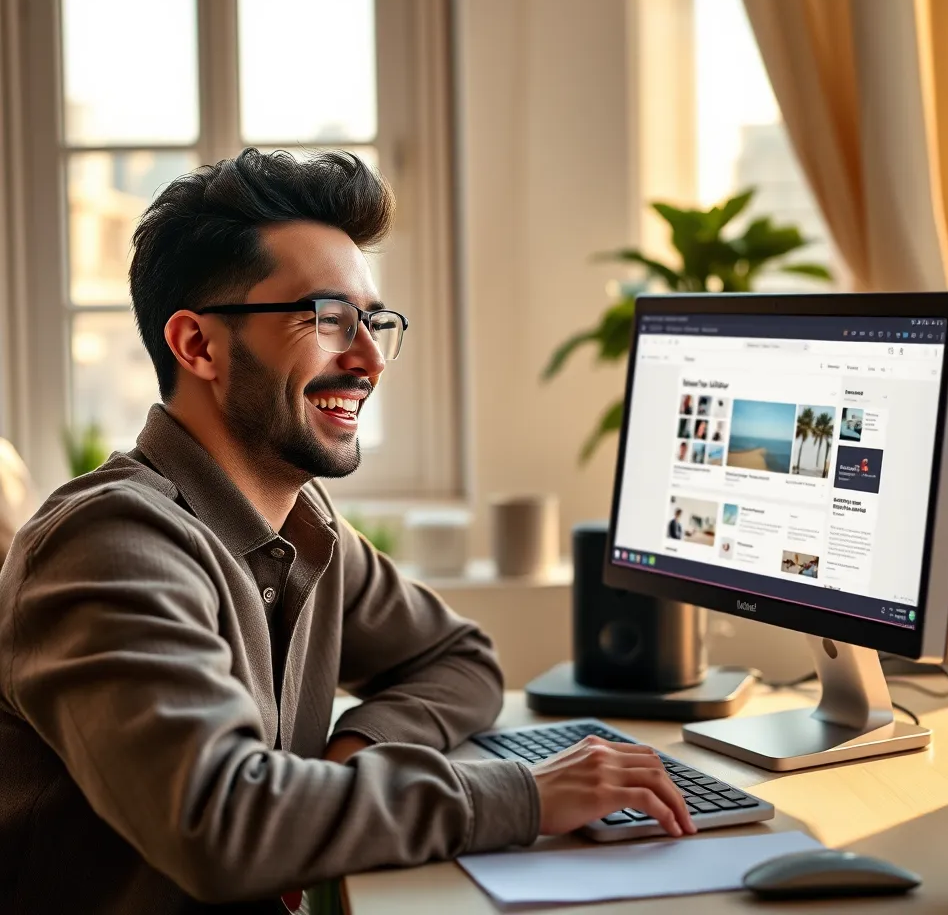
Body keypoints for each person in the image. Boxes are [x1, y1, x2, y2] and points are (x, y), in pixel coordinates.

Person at [0, 150, 693, 913]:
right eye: (328, 320)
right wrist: (522, 797)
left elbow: (458, 659)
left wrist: (353, 754)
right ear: (198, 346)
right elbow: (221, 825)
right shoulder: (110, 545)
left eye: (373, 322)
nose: (368, 360)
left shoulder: (304, 525)